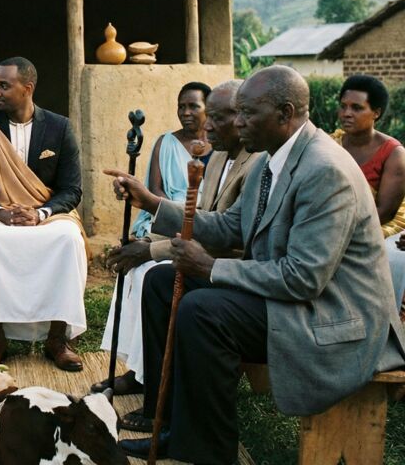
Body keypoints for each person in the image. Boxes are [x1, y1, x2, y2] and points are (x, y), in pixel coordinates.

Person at [108, 65, 405, 464]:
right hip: (296, 299)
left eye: (247, 112)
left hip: (333, 317)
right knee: (162, 283)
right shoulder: (272, 159)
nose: (238, 121)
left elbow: (303, 278)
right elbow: (232, 226)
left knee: (204, 311)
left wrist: (210, 268)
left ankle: (211, 453)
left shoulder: (324, 170)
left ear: (284, 113)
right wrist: (152, 203)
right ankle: (173, 428)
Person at [94, 80, 259, 429]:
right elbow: (212, 225)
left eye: (212, 116)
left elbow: (229, 235)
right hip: (191, 240)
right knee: (154, 277)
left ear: (242, 118)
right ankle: (155, 402)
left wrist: (152, 245)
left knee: (171, 287)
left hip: (238, 274)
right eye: (205, 115)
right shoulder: (216, 159)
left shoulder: (256, 163)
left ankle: (174, 412)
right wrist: (148, 218)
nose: (206, 125)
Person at [0, 56, 87, 371]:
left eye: (4, 86)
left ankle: (58, 339)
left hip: (45, 215)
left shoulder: (59, 127)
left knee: (69, 238)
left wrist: (40, 214)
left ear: (28, 88)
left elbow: (72, 190)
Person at [331, 75, 405, 310]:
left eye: (356, 107)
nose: (346, 113)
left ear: (376, 113)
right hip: (331, 220)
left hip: (374, 226)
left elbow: (383, 212)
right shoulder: (331, 145)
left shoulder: (394, 154)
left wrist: (333, 229)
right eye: (343, 106)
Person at [129, 82, 213, 239]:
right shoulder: (166, 143)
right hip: (170, 217)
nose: (185, 112)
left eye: (193, 106)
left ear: (208, 109)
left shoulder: (220, 146)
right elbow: (155, 190)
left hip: (210, 219)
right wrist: (179, 216)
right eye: (181, 107)